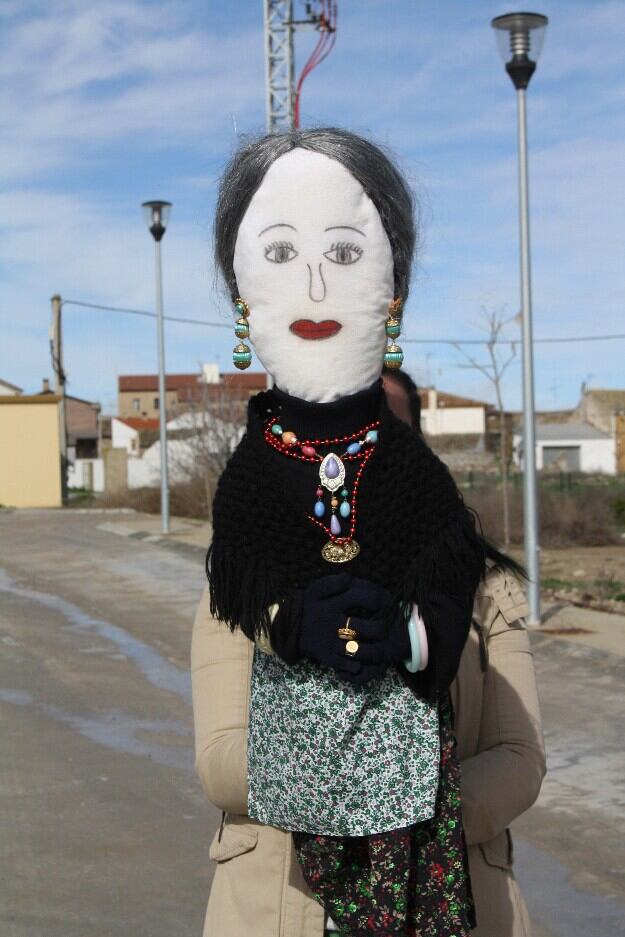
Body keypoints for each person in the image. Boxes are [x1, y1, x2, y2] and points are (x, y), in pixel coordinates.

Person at [192, 127, 545, 936]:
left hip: (449, 899)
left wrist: (413, 811)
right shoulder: (247, 568)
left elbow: (520, 759)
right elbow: (219, 761)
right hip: (281, 906)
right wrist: (353, 792)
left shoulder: (479, 580)